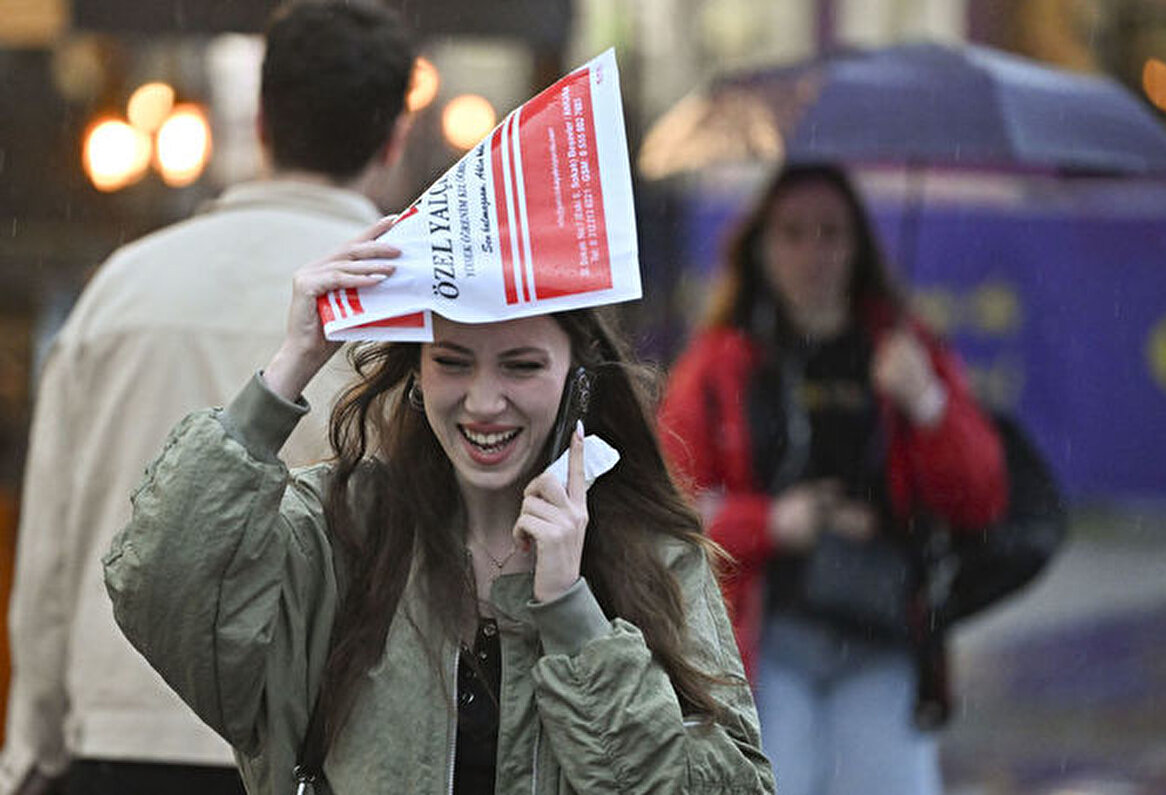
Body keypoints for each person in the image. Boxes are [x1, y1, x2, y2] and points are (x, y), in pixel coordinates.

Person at [100, 220, 776, 794]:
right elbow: (160, 590)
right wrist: (290, 367)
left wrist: (575, 615)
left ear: (578, 374)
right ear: (416, 372)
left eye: (521, 365)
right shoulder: (343, 528)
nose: (483, 401)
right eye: (452, 362)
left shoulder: (650, 555)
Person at [0, 3, 415, 794]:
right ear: (394, 138)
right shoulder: (404, 315)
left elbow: (49, 547)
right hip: (308, 742)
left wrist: (32, 746)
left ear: (261, 121)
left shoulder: (118, 289)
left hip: (116, 728)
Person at [658, 164, 1008, 795]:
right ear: (761, 247)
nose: (812, 253)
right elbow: (670, 517)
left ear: (858, 247)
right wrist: (773, 523)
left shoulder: (904, 349)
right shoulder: (717, 366)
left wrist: (927, 402)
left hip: (880, 631)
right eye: (792, 233)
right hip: (764, 643)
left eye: (830, 233)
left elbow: (981, 498)